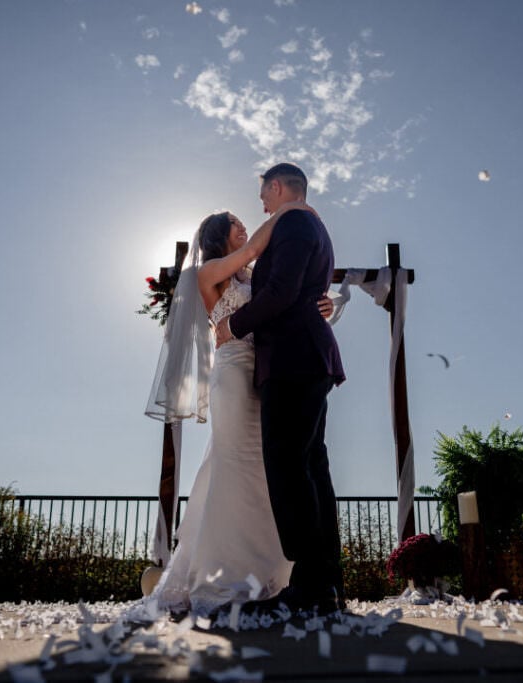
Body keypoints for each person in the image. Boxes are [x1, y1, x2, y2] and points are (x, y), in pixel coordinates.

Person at [144, 201, 333, 618]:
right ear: (217, 236)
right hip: (232, 376)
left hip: (266, 375)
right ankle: (224, 574)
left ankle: (272, 576)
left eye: (244, 223)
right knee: (234, 465)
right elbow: (251, 253)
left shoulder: (253, 275)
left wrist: (323, 307)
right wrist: (292, 211)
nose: (244, 228)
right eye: (235, 224)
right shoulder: (206, 274)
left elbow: (282, 302)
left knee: (269, 473)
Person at [215, 162, 346, 616]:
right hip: (307, 356)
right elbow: (305, 288)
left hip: (293, 357)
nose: (262, 205)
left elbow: (282, 292)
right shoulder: (314, 225)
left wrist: (233, 324)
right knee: (311, 469)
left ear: (276, 187)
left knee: (289, 468)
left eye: (263, 196)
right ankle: (325, 584)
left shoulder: (292, 220)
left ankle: (309, 585)